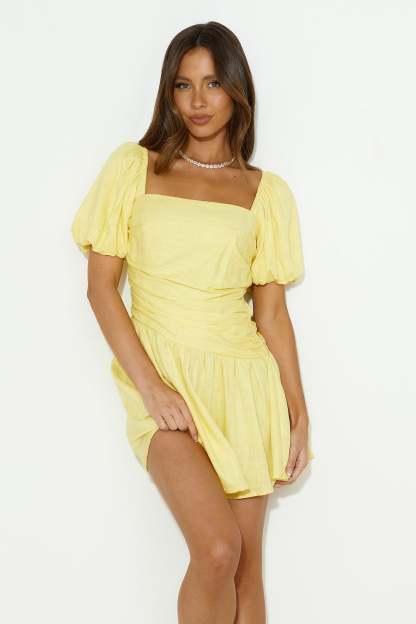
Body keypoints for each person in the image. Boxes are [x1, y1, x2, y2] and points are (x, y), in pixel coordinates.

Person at [71, 20, 315, 624]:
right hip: (163, 382)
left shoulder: (265, 193)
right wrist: (152, 389)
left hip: (245, 386)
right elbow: (101, 290)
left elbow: (272, 314)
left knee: (245, 568)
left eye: (212, 84)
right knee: (216, 548)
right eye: (184, 85)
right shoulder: (135, 168)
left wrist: (298, 409)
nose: (198, 100)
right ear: (168, 92)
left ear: (237, 90)